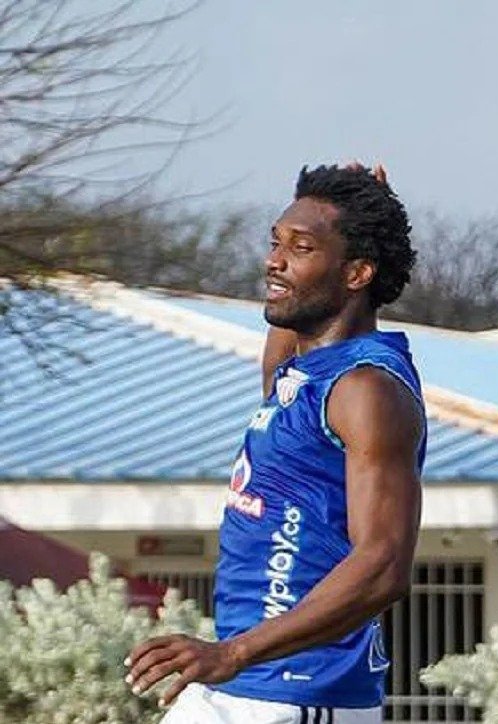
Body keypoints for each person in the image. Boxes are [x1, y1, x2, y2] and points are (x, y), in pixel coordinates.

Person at [126, 163, 427, 724]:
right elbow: (289, 331)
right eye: (275, 242)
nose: (274, 260)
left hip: (299, 696)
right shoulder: (301, 375)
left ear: (357, 272)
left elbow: (383, 564)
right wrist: (358, 202)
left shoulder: (366, 389)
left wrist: (233, 652)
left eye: (301, 247)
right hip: (245, 689)